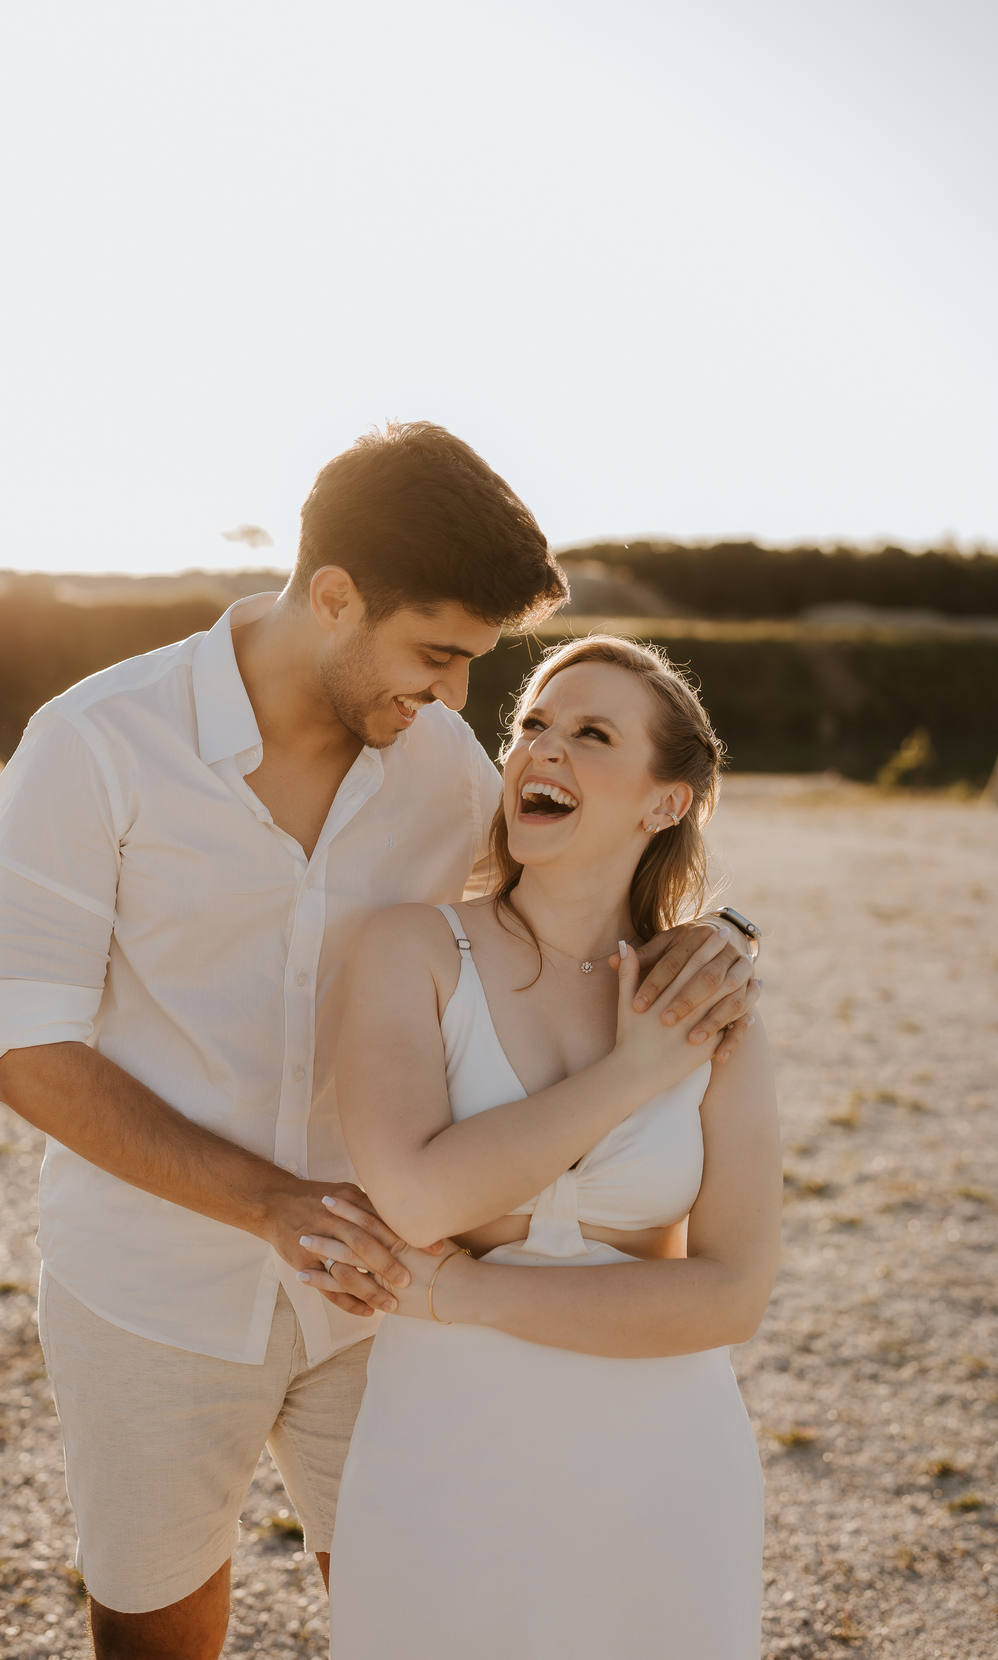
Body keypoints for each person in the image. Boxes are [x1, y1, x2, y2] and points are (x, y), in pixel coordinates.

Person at [0, 424, 759, 1660]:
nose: (457, 696)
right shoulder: (97, 743)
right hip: (149, 1286)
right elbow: (29, 1047)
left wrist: (713, 946)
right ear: (334, 597)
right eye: (439, 654)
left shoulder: (443, 768)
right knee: (153, 1628)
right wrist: (277, 1205)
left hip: (387, 1304)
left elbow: (571, 902)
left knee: (421, 1614)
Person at [326, 634, 780, 1659]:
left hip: (663, 1472)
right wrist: (631, 1073)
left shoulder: (712, 1001)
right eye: (531, 724)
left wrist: (468, 1296)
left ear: (665, 803)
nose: (542, 750)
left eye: (591, 733)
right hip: (447, 1455)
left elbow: (732, 1295)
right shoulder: (412, 950)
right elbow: (420, 1200)